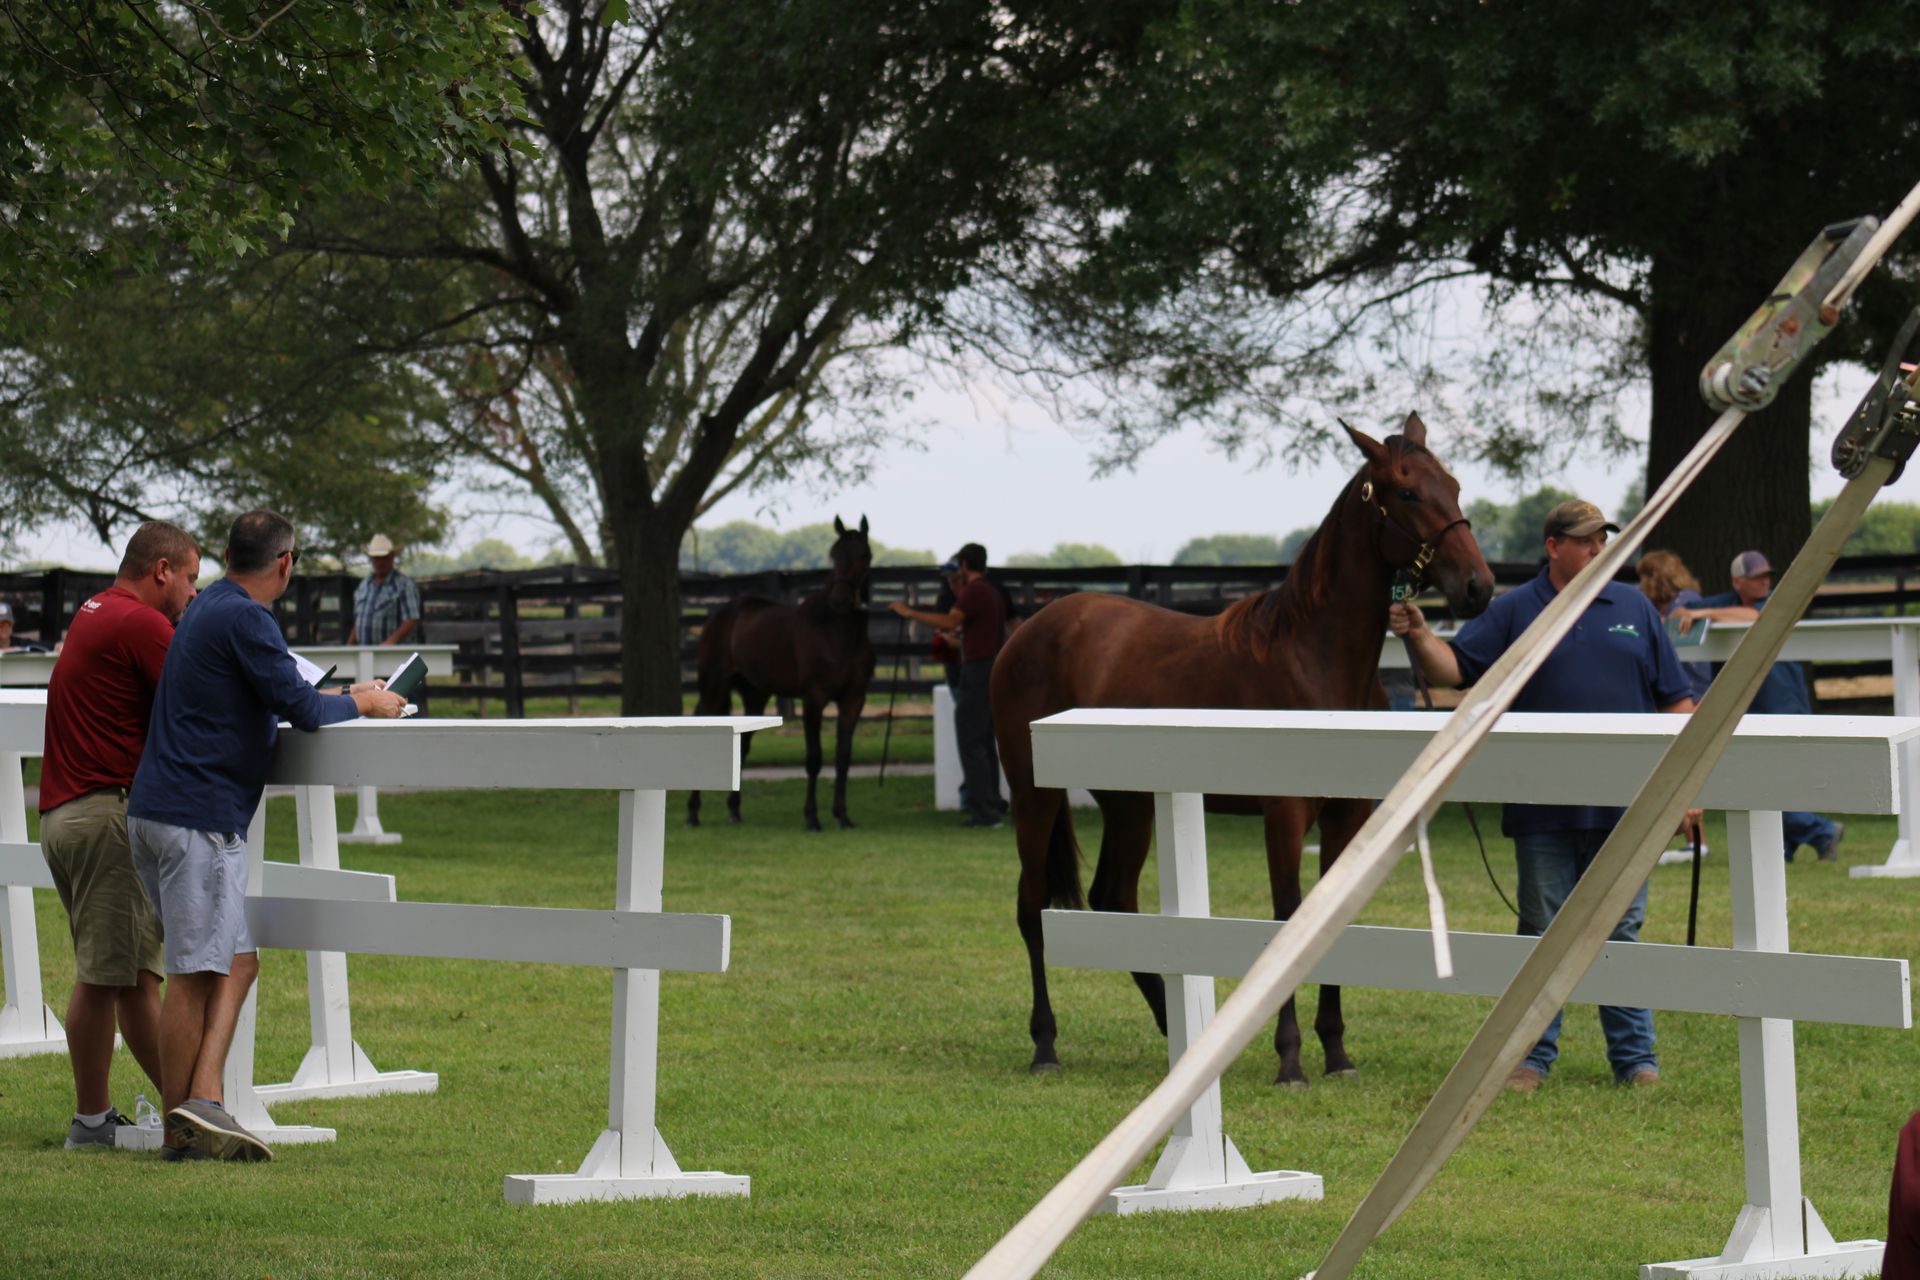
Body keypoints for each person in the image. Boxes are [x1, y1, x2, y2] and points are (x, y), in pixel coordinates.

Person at [1391, 499, 1698, 1091]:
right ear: (1554, 546)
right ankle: (1531, 1058)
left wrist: (1685, 790)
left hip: (1625, 807)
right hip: (1540, 807)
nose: (1597, 550)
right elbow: (1452, 668)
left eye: (1602, 540)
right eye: (1585, 541)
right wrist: (1422, 634)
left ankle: (1636, 1062)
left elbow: (1677, 704)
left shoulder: (1634, 606)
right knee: (1541, 930)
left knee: (1620, 932)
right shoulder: (1514, 611)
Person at [128, 510, 406, 1161]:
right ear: (284, 564)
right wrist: (365, 702)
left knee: (237, 961)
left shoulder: (206, 607)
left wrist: (344, 691)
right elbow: (305, 710)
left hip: (157, 810)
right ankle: (180, 1131)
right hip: (196, 818)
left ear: (228, 555)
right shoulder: (248, 618)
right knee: (194, 972)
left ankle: (205, 1099)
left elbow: (273, 690)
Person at [38, 522, 201, 1149]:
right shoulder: (140, 623)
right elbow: (193, 702)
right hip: (105, 811)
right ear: (161, 571)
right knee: (111, 976)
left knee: (125, 974)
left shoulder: (93, 611)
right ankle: (117, 1119)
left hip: (64, 813)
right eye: (189, 579)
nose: (191, 594)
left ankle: (149, 1114)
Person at [1671, 550, 1844, 864]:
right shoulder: (1724, 602)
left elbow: (1755, 619)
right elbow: (1678, 612)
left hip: (1784, 704)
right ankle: (1789, 845)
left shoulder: (1773, 602)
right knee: (1765, 777)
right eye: (1758, 577)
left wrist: (1700, 615)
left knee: (1776, 777)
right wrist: (1685, 612)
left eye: (1768, 576)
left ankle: (1820, 830)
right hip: (1748, 709)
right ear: (1738, 581)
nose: (1766, 581)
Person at [890, 543, 1008, 828]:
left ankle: (983, 812)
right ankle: (994, 803)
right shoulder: (992, 592)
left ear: (965, 565)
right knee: (985, 741)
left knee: (970, 742)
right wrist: (957, 641)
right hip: (991, 669)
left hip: (976, 672)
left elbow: (949, 619)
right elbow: (978, 633)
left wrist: (910, 613)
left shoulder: (974, 591)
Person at [347, 533, 421, 648]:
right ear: (371, 559)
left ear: (392, 557)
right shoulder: (364, 585)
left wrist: (391, 642)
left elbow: (411, 620)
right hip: (364, 654)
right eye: (376, 558)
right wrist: (349, 646)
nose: (380, 562)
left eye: (384, 558)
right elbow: (360, 619)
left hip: (393, 655)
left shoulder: (404, 585)